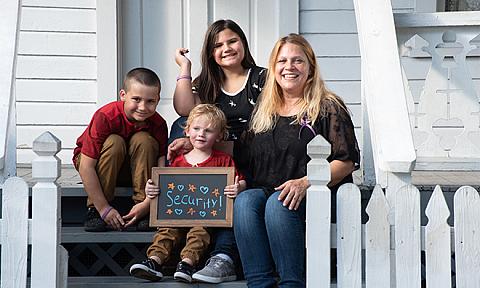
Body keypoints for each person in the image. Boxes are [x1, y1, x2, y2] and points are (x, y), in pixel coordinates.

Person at [233, 34, 360, 287]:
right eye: (282, 61)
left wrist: (305, 182)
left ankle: (292, 283)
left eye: (297, 61)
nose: (289, 67)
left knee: (277, 205)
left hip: (316, 193)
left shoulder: (328, 106)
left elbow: (347, 161)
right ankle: (259, 283)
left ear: (310, 68)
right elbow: (242, 152)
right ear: (273, 68)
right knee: (246, 201)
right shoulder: (263, 109)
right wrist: (193, 144)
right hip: (269, 190)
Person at [169, 19, 266, 283]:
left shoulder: (261, 79)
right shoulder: (208, 83)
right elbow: (183, 109)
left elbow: (263, 135)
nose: (227, 48)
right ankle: (171, 200)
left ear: (243, 42)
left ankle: (222, 257)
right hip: (215, 161)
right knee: (181, 125)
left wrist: (197, 143)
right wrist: (185, 67)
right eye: (218, 45)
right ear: (210, 53)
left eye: (232, 41)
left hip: (250, 160)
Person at [129, 104, 246, 283]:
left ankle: (187, 264)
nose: (201, 134)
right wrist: (151, 190)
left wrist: (238, 188)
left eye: (208, 130)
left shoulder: (223, 161)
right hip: (176, 214)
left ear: (220, 136)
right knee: (166, 230)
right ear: (187, 130)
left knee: (199, 232)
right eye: (196, 128)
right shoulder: (177, 161)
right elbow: (165, 188)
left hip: (205, 216)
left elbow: (240, 180)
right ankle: (154, 261)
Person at [73, 67, 168, 232]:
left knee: (144, 140)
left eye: (150, 101)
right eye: (136, 99)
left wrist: (148, 204)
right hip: (97, 165)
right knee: (114, 141)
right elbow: (86, 166)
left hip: (132, 171)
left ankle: (142, 210)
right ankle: (93, 210)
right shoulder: (106, 116)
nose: (143, 107)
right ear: (123, 95)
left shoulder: (158, 124)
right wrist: (103, 208)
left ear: (158, 100)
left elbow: (161, 168)